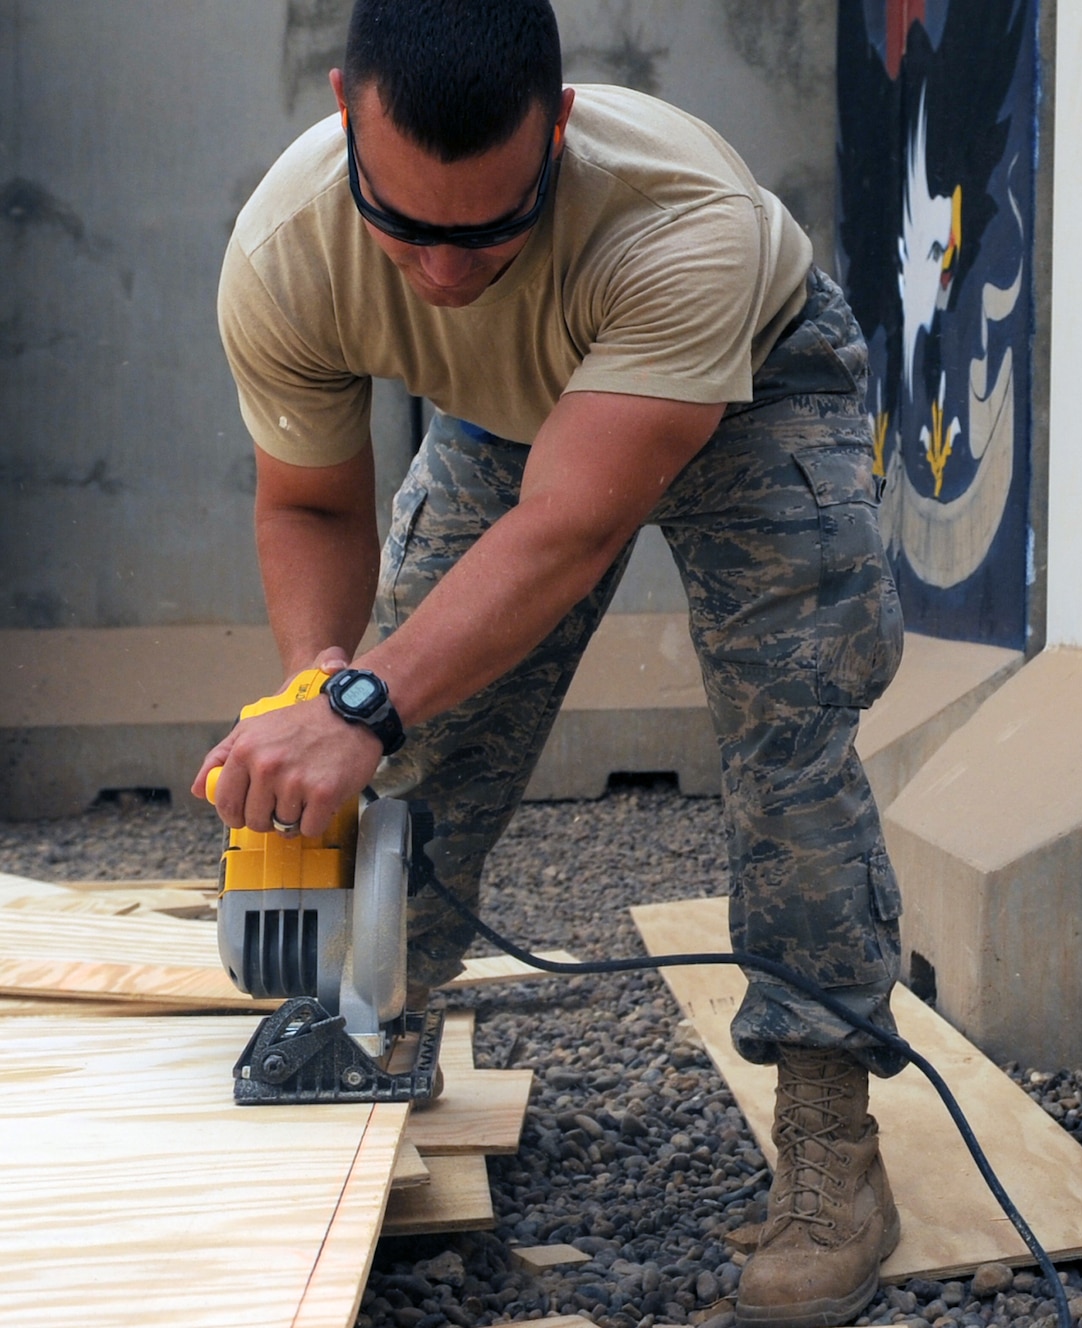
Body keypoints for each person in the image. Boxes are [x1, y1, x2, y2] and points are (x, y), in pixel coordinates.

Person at [194, 2, 906, 1323]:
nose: (449, 272)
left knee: (789, 735)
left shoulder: (681, 217)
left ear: (559, 129)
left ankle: (830, 1141)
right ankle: (370, 1025)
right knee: (419, 722)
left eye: (490, 228)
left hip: (749, 375)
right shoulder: (288, 251)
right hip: (505, 406)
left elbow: (570, 530)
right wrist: (322, 689)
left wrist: (364, 699)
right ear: (347, 116)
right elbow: (307, 505)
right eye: (405, 228)